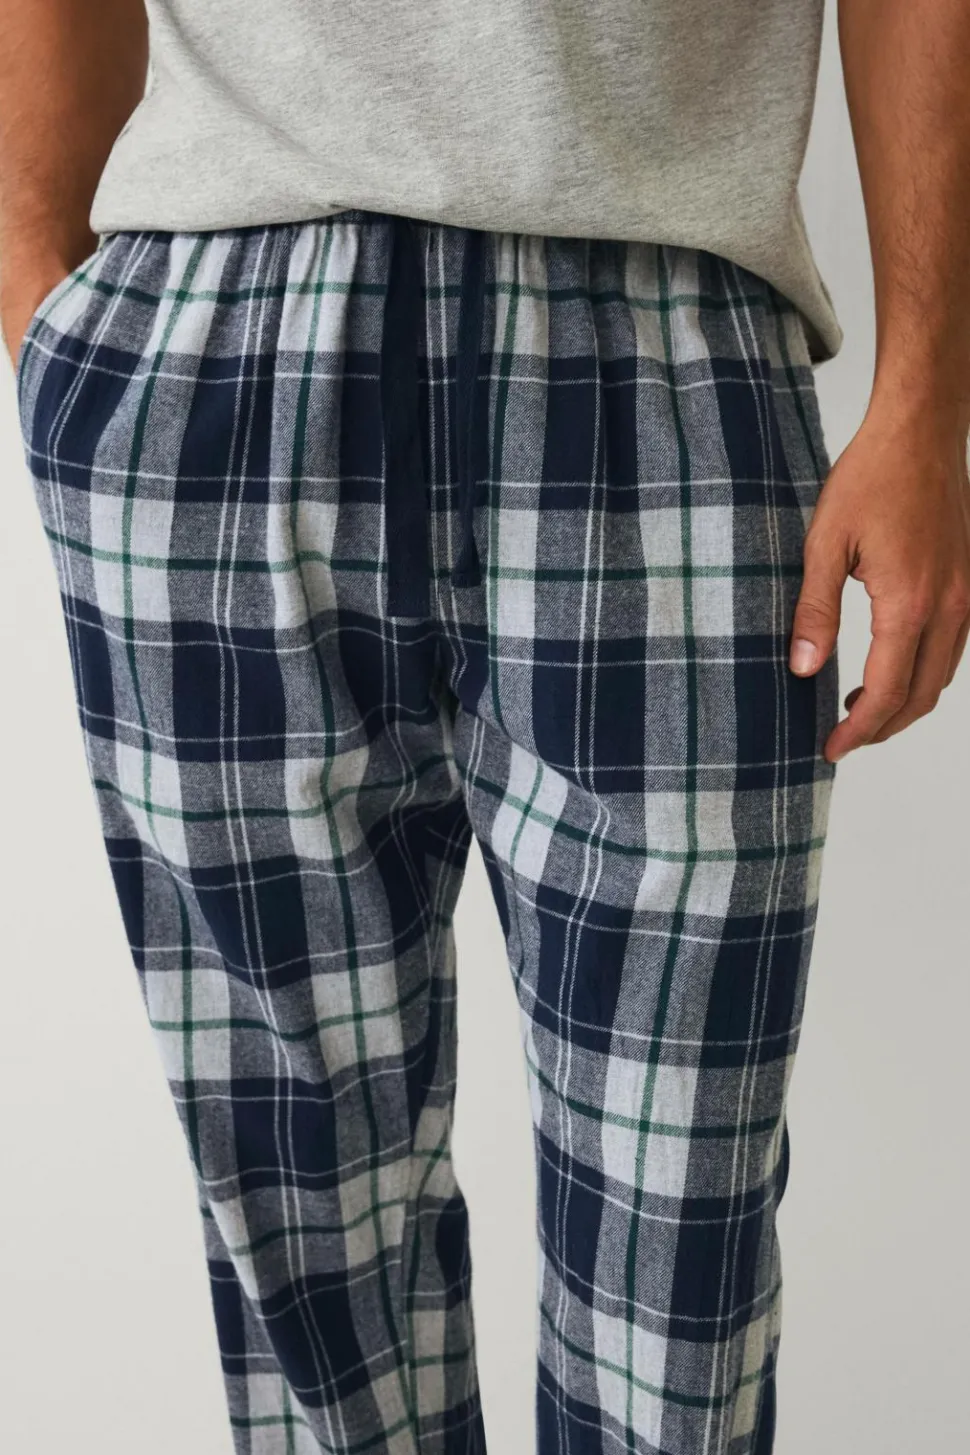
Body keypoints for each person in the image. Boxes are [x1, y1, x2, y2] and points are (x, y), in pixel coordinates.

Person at [2, 3, 968, 1452]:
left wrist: (924, 401)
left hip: (665, 333)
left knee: (680, 1256)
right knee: (303, 1237)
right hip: (226, 337)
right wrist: (43, 297)